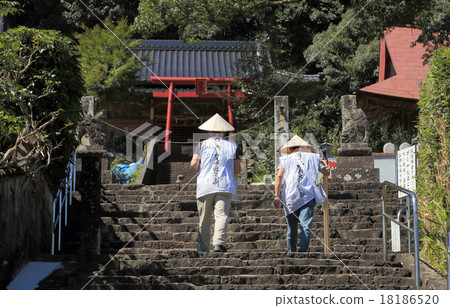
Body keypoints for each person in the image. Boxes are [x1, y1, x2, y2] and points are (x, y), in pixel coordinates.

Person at [190, 113, 240, 253]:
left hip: (205, 185)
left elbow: (194, 164)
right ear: (223, 131)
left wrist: (201, 169)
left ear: (209, 131)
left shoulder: (201, 145)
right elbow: (237, 169)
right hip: (225, 185)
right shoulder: (233, 146)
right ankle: (219, 243)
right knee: (221, 215)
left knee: (204, 218)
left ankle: (203, 247)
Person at [273, 135, 330, 252]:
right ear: (304, 148)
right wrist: (325, 164)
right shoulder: (313, 158)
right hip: (308, 195)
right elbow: (326, 172)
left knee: (291, 228)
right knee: (306, 226)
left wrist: (276, 195)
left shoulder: (285, 159)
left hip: (290, 197)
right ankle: (303, 251)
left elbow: (279, 176)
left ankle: (291, 252)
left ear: (290, 149)